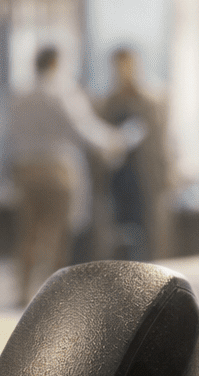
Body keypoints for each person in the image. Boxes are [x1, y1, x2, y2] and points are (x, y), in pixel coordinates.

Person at [7, 46, 136, 305]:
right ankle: (50, 297)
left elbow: (8, 135)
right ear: (56, 62)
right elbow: (83, 128)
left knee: (29, 233)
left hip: (24, 170)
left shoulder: (20, 95)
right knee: (57, 234)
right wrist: (115, 140)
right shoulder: (61, 91)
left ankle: (22, 292)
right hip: (55, 169)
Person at [97, 47, 170, 261]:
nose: (124, 72)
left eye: (128, 66)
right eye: (119, 67)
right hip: (118, 179)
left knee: (151, 235)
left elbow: (160, 143)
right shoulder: (108, 104)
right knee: (119, 235)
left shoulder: (150, 103)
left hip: (146, 177)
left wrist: (167, 174)